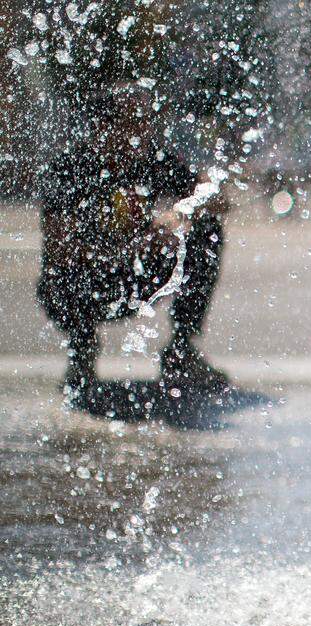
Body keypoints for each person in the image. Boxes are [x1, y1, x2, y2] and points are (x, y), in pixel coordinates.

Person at [36, 84, 230, 406]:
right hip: (87, 283)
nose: (144, 129)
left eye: (144, 121)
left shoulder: (149, 160)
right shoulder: (70, 170)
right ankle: (82, 352)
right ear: (103, 127)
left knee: (207, 231)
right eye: (133, 121)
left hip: (134, 275)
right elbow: (62, 249)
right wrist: (131, 249)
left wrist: (177, 214)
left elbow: (215, 197)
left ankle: (181, 351)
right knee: (66, 280)